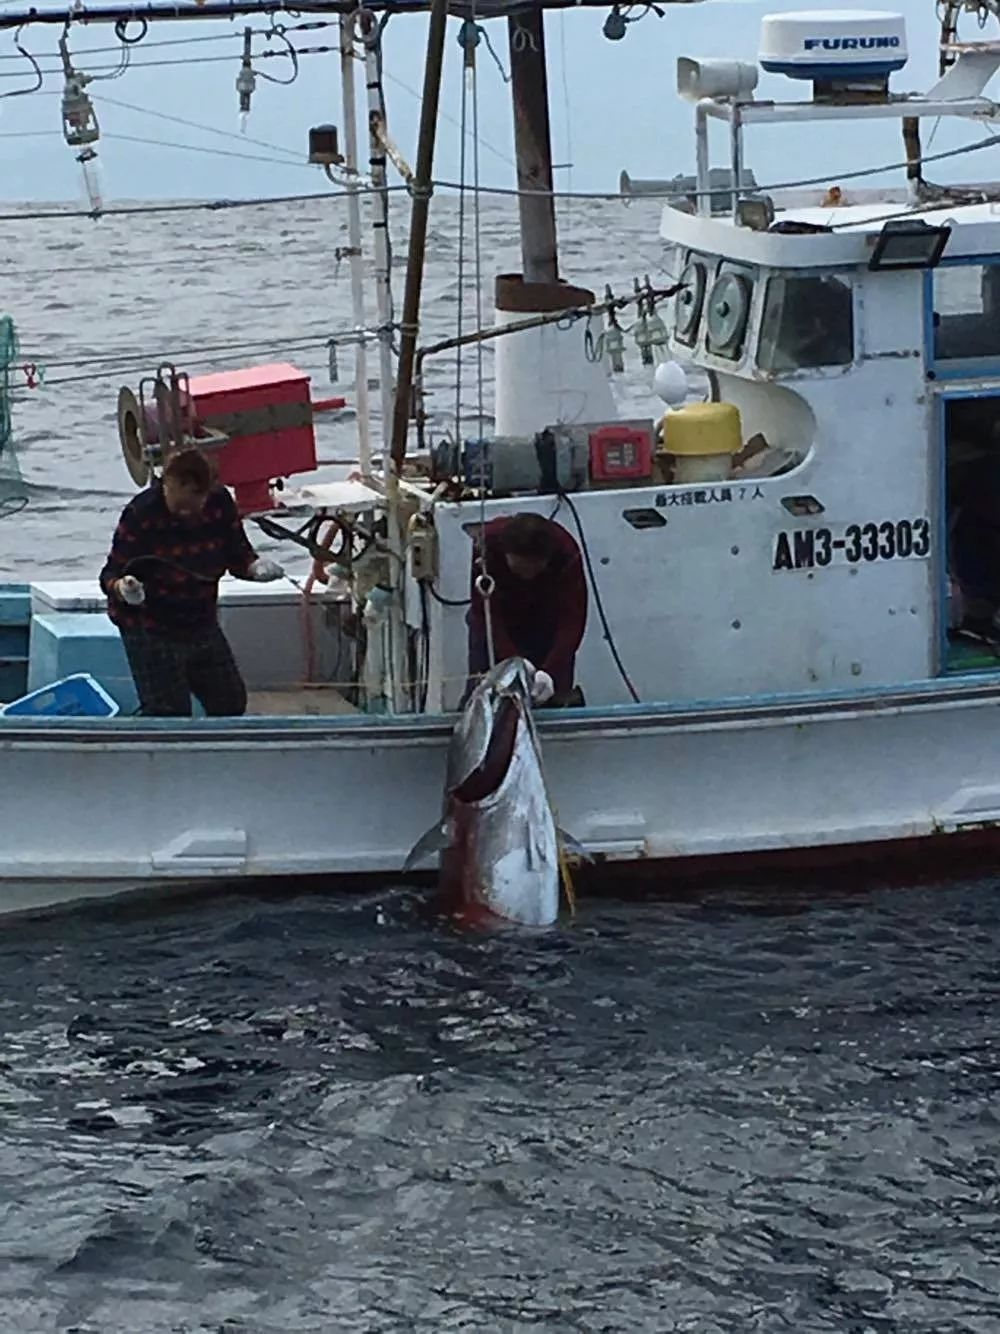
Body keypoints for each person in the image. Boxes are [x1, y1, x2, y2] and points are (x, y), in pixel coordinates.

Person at [99, 447, 284, 717]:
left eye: (198, 497)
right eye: (183, 499)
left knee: (230, 704)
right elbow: (109, 575)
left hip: (200, 620)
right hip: (150, 626)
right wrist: (123, 588)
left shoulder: (219, 503)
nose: (190, 509)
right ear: (169, 483)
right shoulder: (141, 514)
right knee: (170, 712)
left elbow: (238, 554)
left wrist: (254, 567)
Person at [467, 512, 587, 707]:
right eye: (520, 569)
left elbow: (573, 619)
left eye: (534, 570)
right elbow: (485, 612)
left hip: (548, 619)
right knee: (485, 694)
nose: (527, 576)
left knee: (552, 695)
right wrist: (513, 661)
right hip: (499, 618)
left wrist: (551, 670)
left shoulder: (567, 552)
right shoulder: (486, 546)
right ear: (506, 555)